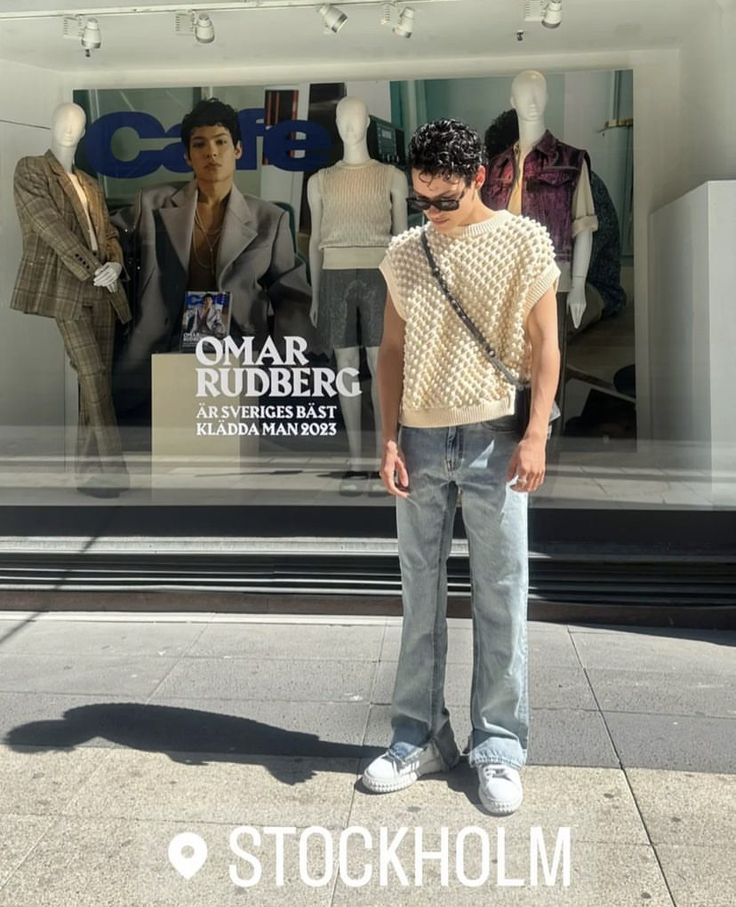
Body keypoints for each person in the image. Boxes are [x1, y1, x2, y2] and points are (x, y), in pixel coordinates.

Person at [361, 119, 560, 816]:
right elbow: (390, 351)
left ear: (479, 177)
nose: (433, 213)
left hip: (494, 440)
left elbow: (545, 348)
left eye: (445, 200)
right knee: (420, 596)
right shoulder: (406, 251)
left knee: (501, 594)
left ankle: (499, 745)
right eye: (422, 200)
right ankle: (415, 735)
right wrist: (385, 440)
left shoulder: (523, 239)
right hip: (418, 439)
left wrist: (536, 434)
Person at [112, 97, 316, 418]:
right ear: (187, 156)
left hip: (238, 346)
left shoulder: (269, 219)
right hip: (165, 341)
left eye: (221, 142)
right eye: (199, 144)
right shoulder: (152, 205)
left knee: (226, 444)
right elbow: (108, 239)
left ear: (238, 150)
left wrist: (290, 365)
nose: (211, 152)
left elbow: (292, 295)